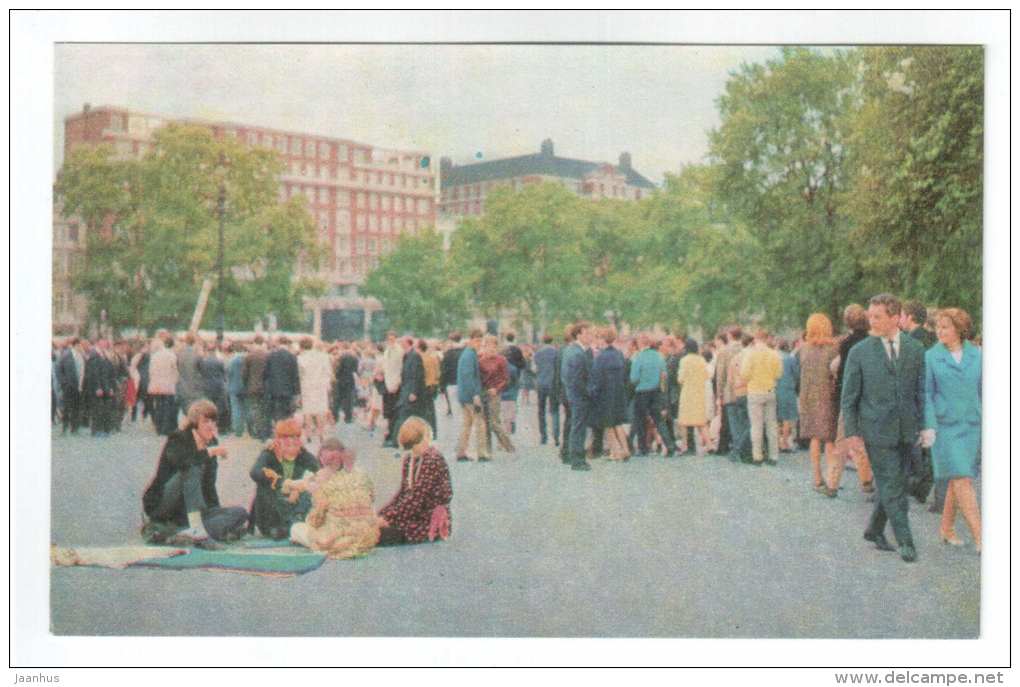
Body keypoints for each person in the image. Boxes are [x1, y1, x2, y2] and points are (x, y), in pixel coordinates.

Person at [841, 293, 926, 563]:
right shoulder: (859, 352)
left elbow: (921, 392)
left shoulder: (915, 349)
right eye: (870, 316)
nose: (871, 321)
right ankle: (906, 541)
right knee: (892, 485)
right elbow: (849, 398)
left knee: (896, 483)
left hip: (907, 430)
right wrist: (852, 433)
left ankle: (874, 529)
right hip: (876, 431)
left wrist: (925, 427)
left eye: (877, 317)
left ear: (895, 318)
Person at [141, 399, 248, 546]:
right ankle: (196, 529)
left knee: (240, 513)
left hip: (190, 511)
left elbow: (209, 485)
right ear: (195, 423)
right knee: (192, 468)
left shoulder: (212, 442)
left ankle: (179, 532)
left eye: (213, 421)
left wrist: (216, 512)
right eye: (205, 421)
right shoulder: (178, 438)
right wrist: (209, 452)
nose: (211, 425)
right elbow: (185, 463)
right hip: (164, 503)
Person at [923, 308, 982, 553]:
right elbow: (926, 394)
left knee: (958, 479)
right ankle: (981, 537)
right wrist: (929, 426)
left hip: (972, 425)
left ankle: (947, 529)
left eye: (945, 327)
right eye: (938, 326)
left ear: (959, 329)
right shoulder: (931, 356)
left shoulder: (978, 355)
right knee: (961, 478)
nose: (939, 331)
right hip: (944, 427)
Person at [288, 438, 381, 559]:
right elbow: (372, 498)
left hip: (336, 541)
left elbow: (316, 519)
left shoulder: (321, 481)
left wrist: (310, 522)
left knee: (296, 528)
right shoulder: (362, 475)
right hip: (367, 538)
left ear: (321, 458)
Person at [378, 417, 452, 545]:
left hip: (428, 516)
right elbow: (402, 493)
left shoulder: (433, 459)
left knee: (381, 534)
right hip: (412, 511)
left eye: (416, 446)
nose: (414, 451)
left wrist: (388, 518)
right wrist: (382, 514)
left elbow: (418, 498)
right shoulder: (409, 459)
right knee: (377, 527)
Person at [249, 418, 320, 539]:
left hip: (295, 505)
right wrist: (285, 483)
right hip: (272, 509)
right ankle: (285, 527)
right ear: (278, 439)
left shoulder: (304, 455)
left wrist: (299, 488)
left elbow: (320, 472)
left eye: (295, 437)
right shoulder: (269, 454)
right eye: (285, 437)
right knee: (264, 487)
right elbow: (255, 472)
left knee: (311, 491)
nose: (291, 441)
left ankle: (291, 526)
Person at [831, 305, 875, 496]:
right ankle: (866, 480)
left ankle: (832, 484)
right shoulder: (872, 342)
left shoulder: (846, 344)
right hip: (868, 397)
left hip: (849, 397)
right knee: (862, 441)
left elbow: (843, 373)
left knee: (842, 441)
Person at [798, 314, 840, 494]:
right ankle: (831, 479)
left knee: (814, 438)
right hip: (827, 397)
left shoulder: (803, 349)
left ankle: (817, 478)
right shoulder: (833, 349)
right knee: (830, 438)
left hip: (808, 397)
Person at [740, 330, 782, 466]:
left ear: (755, 339)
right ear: (766, 338)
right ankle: (773, 456)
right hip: (770, 390)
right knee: (771, 425)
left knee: (756, 426)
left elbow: (744, 374)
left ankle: (757, 456)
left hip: (754, 391)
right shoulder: (774, 354)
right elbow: (778, 374)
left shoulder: (750, 354)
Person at [629, 333, 674, 458]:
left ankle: (643, 448)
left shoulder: (638, 357)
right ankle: (670, 446)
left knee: (640, 420)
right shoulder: (659, 356)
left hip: (642, 392)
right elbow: (664, 375)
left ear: (640, 343)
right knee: (659, 420)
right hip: (656, 391)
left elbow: (634, 378)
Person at [589, 326, 629, 461]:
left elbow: (597, 378)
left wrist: (592, 393)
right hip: (619, 392)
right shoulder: (619, 354)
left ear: (603, 339)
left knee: (608, 424)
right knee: (618, 423)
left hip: (605, 394)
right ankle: (626, 449)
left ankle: (615, 452)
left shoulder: (600, 357)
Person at [479, 334, 516, 457]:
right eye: (486, 345)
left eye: (492, 346)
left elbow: (506, 378)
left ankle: (508, 445)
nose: (490, 348)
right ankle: (487, 449)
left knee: (494, 421)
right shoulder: (480, 360)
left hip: (495, 393)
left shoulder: (501, 360)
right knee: (484, 422)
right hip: (483, 392)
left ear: (496, 346)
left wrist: (497, 389)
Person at [454, 329, 487, 462]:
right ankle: (482, 453)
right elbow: (468, 377)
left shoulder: (467, 353)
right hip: (471, 396)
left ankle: (461, 452)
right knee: (480, 423)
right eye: (477, 341)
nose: (479, 344)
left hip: (464, 395)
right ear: (471, 340)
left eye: (480, 341)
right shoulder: (469, 355)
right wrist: (475, 395)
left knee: (467, 424)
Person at [678, 337, 712, 457]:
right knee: (701, 422)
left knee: (684, 422)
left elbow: (680, 379)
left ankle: (685, 446)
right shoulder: (701, 360)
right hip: (699, 392)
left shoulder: (684, 360)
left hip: (687, 393)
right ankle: (709, 445)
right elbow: (707, 375)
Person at [297, 337, 333, 443]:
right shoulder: (323, 356)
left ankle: (308, 433)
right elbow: (328, 372)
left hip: (306, 386)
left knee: (308, 410)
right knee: (321, 410)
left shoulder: (300, 358)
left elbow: (300, 375)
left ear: (301, 347)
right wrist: (327, 384)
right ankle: (321, 433)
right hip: (321, 386)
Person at [394, 336, 427, 441]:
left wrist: (414, 392)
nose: (400, 344)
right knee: (405, 414)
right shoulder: (407, 355)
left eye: (402, 342)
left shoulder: (414, 356)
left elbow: (418, 375)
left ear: (407, 343)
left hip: (410, 391)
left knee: (406, 414)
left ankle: (399, 439)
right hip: (406, 389)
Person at [264, 335, 301, 424]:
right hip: (288, 390)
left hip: (274, 389)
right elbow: (295, 375)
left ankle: (278, 427)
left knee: (276, 413)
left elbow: (266, 373)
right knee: (287, 413)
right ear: (287, 344)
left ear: (278, 343)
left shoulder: (271, 356)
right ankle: (286, 429)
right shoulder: (292, 357)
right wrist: (297, 392)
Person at [147, 335, 179, 436]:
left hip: (156, 385)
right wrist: (175, 381)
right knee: (167, 407)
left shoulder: (155, 355)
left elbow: (150, 370)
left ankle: (158, 428)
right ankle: (166, 429)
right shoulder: (172, 355)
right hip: (168, 385)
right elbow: (175, 370)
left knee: (158, 406)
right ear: (172, 345)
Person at [56, 337, 88, 435]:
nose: (81, 347)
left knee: (76, 408)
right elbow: (58, 369)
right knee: (67, 408)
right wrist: (64, 383)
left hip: (79, 386)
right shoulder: (66, 355)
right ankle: (64, 428)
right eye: (80, 345)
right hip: (69, 386)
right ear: (75, 345)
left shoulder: (81, 356)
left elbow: (83, 370)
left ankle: (74, 428)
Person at [242, 335, 270, 440]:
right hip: (264, 387)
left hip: (252, 386)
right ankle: (263, 431)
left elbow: (244, 374)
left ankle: (253, 430)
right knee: (263, 410)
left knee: (253, 408)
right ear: (263, 343)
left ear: (254, 343)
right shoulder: (267, 355)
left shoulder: (249, 356)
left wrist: (245, 384)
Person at [533, 335, 560, 446]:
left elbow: (534, 368)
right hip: (553, 384)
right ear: (552, 341)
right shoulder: (556, 352)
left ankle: (543, 436)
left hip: (541, 383)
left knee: (541, 410)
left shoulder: (538, 353)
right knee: (554, 410)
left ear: (543, 341)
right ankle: (556, 435)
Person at [380, 331, 404, 448]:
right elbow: (385, 366)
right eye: (389, 339)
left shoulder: (399, 351)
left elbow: (400, 369)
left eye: (393, 339)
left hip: (395, 385)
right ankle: (389, 436)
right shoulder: (387, 351)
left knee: (395, 412)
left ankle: (394, 437)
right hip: (387, 383)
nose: (391, 341)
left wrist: (397, 383)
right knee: (388, 412)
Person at [775, 339, 799, 453]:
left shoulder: (773, 357)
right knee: (787, 418)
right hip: (788, 390)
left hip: (774, 389)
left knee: (775, 417)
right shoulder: (791, 359)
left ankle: (776, 442)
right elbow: (797, 374)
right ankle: (784, 443)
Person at [333, 342, 360, 425]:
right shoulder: (354, 357)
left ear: (343, 348)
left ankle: (335, 417)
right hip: (350, 379)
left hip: (340, 379)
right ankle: (348, 417)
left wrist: (336, 375)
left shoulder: (340, 357)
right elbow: (356, 370)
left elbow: (338, 368)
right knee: (349, 399)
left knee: (337, 399)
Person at [226, 341, 248, 437]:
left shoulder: (232, 361)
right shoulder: (246, 359)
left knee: (236, 409)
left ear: (235, 350)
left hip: (234, 387)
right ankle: (246, 428)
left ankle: (238, 430)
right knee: (245, 408)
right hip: (245, 388)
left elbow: (228, 373)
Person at [439, 332, 464, 417]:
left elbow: (444, 371)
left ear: (451, 341)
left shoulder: (448, 354)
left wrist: (441, 385)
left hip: (452, 384)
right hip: (463, 384)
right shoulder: (465, 351)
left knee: (456, 412)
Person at [421, 339, 441, 438]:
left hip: (426, 386)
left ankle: (428, 432)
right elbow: (438, 373)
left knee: (426, 411)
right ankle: (433, 432)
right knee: (431, 410)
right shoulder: (433, 358)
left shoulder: (424, 358)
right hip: (432, 385)